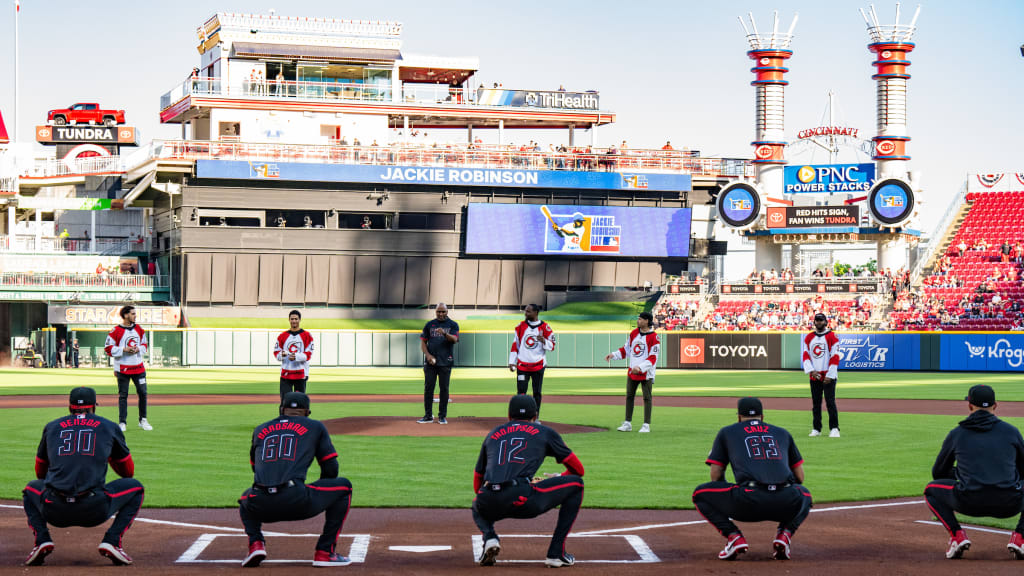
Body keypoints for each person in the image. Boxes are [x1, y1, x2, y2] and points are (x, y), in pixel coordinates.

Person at [22, 387, 144, 566]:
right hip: (94, 509)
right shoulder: (109, 426)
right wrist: (106, 455)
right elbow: (127, 472)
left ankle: (41, 540)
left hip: (54, 509)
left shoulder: (52, 426)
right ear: (94, 406)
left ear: (69, 407)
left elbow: (40, 473)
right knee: (136, 488)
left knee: (30, 489)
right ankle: (112, 541)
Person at [238, 392, 353, 567]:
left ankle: (256, 544)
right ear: (307, 412)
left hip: (261, 503)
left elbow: (256, 469)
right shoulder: (315, 427)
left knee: (245, 498)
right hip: (297, 499)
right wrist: (321, 496)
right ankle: (325, 552)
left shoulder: (260, 429)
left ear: (281, 409)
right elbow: (331, 469)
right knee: (344, 487)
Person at [692, 397, 812, 561]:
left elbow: (716, 475)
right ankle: (785, 534)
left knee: (699, 494)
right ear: (762, 417)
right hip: (785, 502)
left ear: (739, 417)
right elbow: (800, 477)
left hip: (747, 502)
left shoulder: (727, 432)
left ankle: (734, 537)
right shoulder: (782, 432)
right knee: (805, 495)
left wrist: (729, 497)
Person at [472, 395, 585, 567]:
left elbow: (478, 478)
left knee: (477, 502)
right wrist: (560, 477)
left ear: (509, 416)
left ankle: (490, 537)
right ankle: (556, 553)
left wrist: (493, 501)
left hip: (488, 497)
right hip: (522, 498)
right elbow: (579, 470)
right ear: (535, 416)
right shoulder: (545, 432)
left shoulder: (493, 433)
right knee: (577, 484)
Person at [924, 385, 1024, 560]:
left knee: (931, 489)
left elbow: (938, 472)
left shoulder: (957, 434)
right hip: (1008, 504)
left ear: (970, 406)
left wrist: (962, 475)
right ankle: (1020, 537)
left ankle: (957, 536)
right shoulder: (1011, 432)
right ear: (995, 406)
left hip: (968, 501)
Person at [605, 312, 660, 433]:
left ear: (646, 321)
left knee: (647, 398)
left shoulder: (654, 337)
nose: (638, 321)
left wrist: (640, 367)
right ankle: (627, 423)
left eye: (640, 319)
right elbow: (626, 350)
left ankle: (646, 425)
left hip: (646, 373)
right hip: (632, 371)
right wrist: (613, 355)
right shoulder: (634, 333)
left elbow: (653, 357)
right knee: (629, 396)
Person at [104, 306, 152, 432]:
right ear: (125, 315)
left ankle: (143, 420)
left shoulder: (139, 329)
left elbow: (144, 345)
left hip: (139, 367)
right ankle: (122, 422)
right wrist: (123, 350)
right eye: (133, 314)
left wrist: (138, 349)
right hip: (123, 369)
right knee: (123, 396)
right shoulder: (116, 331)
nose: (135, 316)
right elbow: (108, 348)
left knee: (143, 393)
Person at [508, 304, 555, 420]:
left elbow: (552, 346)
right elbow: (516, 344)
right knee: (521, 393)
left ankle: (536, 417)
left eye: (528, 312)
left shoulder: (545, 328)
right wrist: (512, 361)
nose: (525, 313)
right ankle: (519, 417)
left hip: (538, 365)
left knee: (537, 393)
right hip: (522, 365)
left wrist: (543, 340)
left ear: (536, 313)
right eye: (525, 311)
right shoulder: (520, 327)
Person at [418, 303, 459, 424]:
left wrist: (444, 333)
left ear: (447, 312)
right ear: (435, 312)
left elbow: (455, 339)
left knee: (444, 389)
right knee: (428, 388)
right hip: (431, 363)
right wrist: (428, 355)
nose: (441, 314)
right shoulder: (429, 325)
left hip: (446, 361)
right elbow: (423, 343)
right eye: (438, 312)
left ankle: (442, 416)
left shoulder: (453, 325)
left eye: (443, 312)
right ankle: (428, 415)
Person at [273, 310, 315, 401]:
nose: (294, 321)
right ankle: (283, 416)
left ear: (299, 320)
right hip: (285, 373)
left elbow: (309, 354)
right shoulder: (282, 336)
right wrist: (282, 355)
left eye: (296, 319)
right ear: (289, 320)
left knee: (300, 401)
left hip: (300, 373)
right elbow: (276, 352)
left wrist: (296, 357)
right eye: (292, 319)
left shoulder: (307, 335)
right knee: (284, 401)